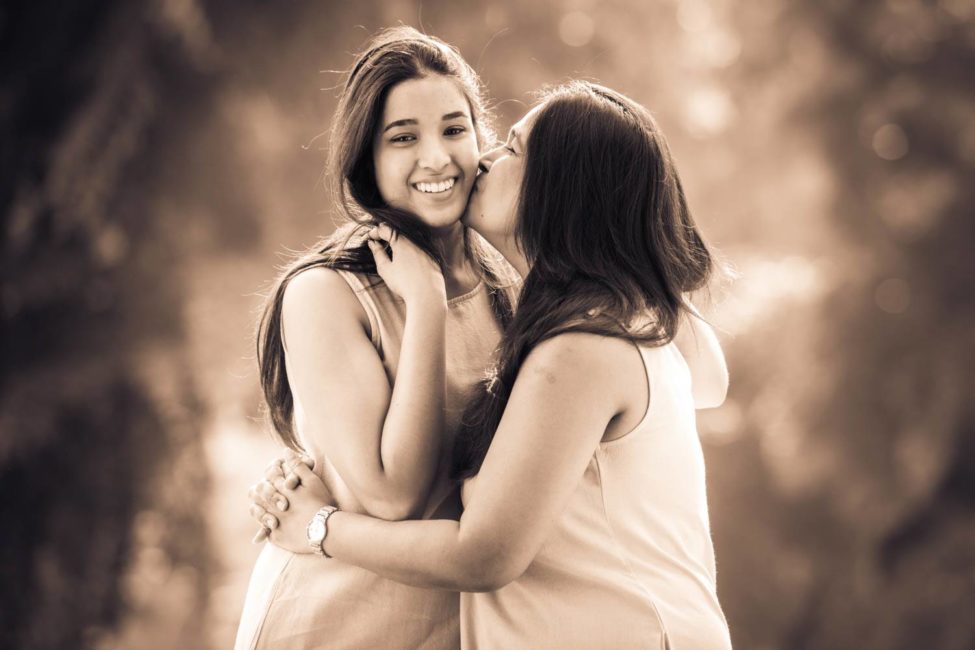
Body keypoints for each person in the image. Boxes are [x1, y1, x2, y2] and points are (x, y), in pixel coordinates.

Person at [254, 81, 733, 649]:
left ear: (563, 188)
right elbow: (709, 381)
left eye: (509, 147)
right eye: (402, 137)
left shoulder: (581, 342)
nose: (482, 158)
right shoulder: (584, 319)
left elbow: (479, 553)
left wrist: (316, 525)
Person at [234, 26, 519, 650]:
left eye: (453, 129)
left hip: (465, 625)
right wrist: (425, 304)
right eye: (403, 138)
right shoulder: (326, 295)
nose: (438, 158)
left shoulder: (509, 279)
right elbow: (393, 497)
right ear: (366, 160)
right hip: (336, 621)